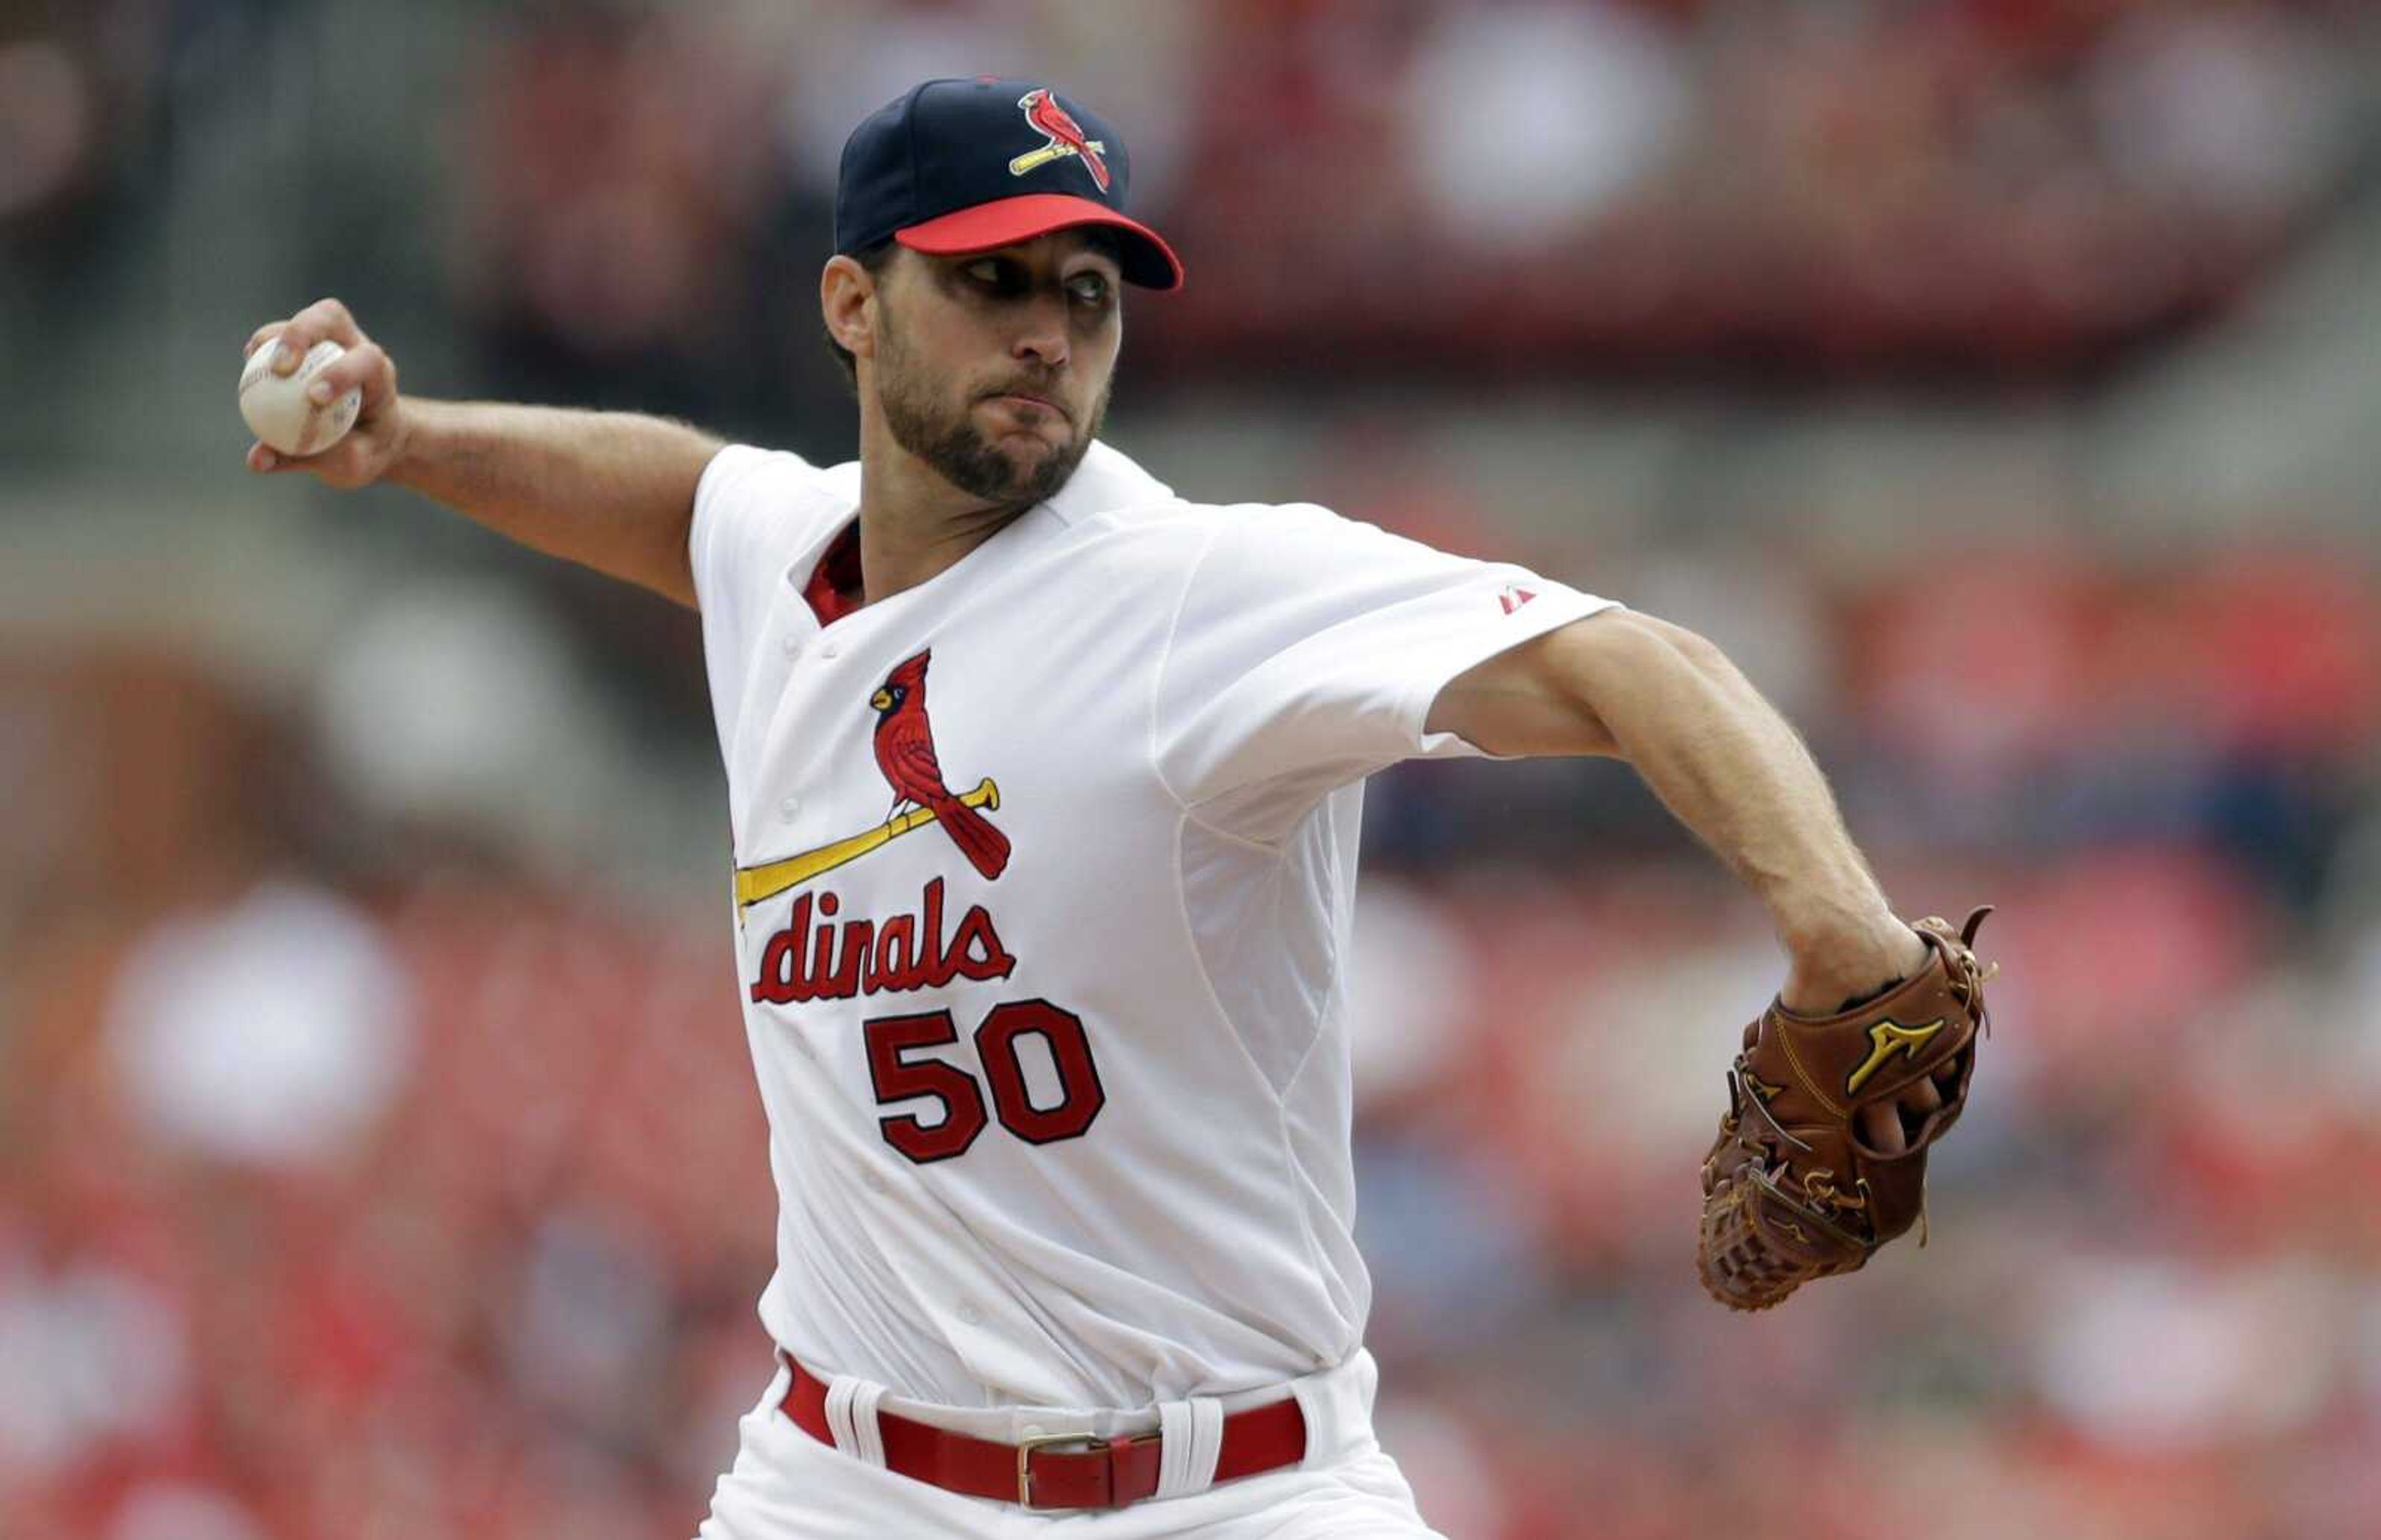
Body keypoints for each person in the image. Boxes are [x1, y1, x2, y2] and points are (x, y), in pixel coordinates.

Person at [245, 77, 1949, 1540]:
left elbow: (1634, 659)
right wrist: (411, 440)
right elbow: (682, 498)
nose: (1048, 333)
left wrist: (1839, 927)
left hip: (1237, 1488)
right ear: (852, 302)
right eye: (991, 283)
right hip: (851, 1480)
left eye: (1088, 291)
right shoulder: (789, 558)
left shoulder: (1193, 596)